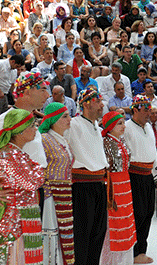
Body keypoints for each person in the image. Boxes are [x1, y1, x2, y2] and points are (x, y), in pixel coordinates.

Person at [0, 110, 44, 264]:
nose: (36, 129)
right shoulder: (8, 155)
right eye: (32, 126)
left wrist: (36, 169)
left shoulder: (15, 153)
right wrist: (39, 170)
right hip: (14, 220)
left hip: (22, 216)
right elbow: (33, 182)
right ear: (20, 131)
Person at [66, 88, 110, 265]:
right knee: (82, 233)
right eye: (98, 101)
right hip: (82, 185)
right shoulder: (74, 124)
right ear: (85, 104)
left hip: (99, 183)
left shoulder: (96, 127)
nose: (101, 105)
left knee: (98, 232)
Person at [124, 95, 157, 264]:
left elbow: (153, 154)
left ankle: (141, 250)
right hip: (134, 175)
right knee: (137, 214)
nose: (149, 113)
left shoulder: (148, 128)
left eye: (149, 109)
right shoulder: (126, 127)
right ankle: (133, 251)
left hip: (148, 176)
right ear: (135, 110)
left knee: (148, 213)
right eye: (145, 110)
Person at [38, 103, 75, 265]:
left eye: (69, 115)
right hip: (51, 195)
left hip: (66, 193)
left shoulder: (64, 139)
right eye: (64, 116)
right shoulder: (44, 139)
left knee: (65, 235)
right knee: (51, 235)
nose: (69, 119)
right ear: (53, 120)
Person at [100, 111, 137, 264]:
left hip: (125, 183)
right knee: (114, 221)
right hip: (113, 185)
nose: (123, 126)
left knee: (126, 220)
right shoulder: (105, 141)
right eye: (119, 123)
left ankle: (124, 259)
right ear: (110, 126)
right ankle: (111, 260)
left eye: (123, 122)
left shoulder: (120, 141)